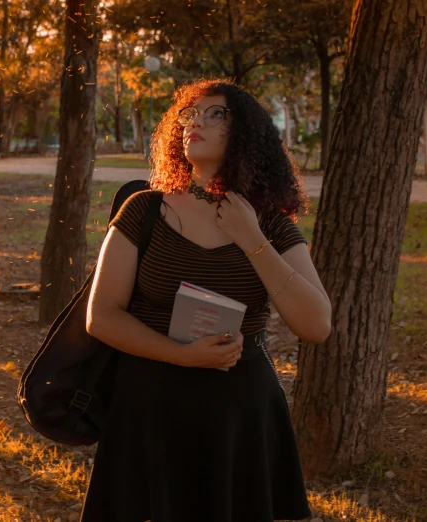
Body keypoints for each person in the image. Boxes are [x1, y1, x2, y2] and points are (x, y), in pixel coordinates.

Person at [83, 78, 332, 522]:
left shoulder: (269, 226)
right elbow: (101, 317)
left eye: (215, 113)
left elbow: (316, 324)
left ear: (245, 133)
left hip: (240, 415)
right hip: (150, 407)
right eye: (189, 114)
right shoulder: (143, 210)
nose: (195, 121)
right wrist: (182, 356)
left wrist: (252, 239)